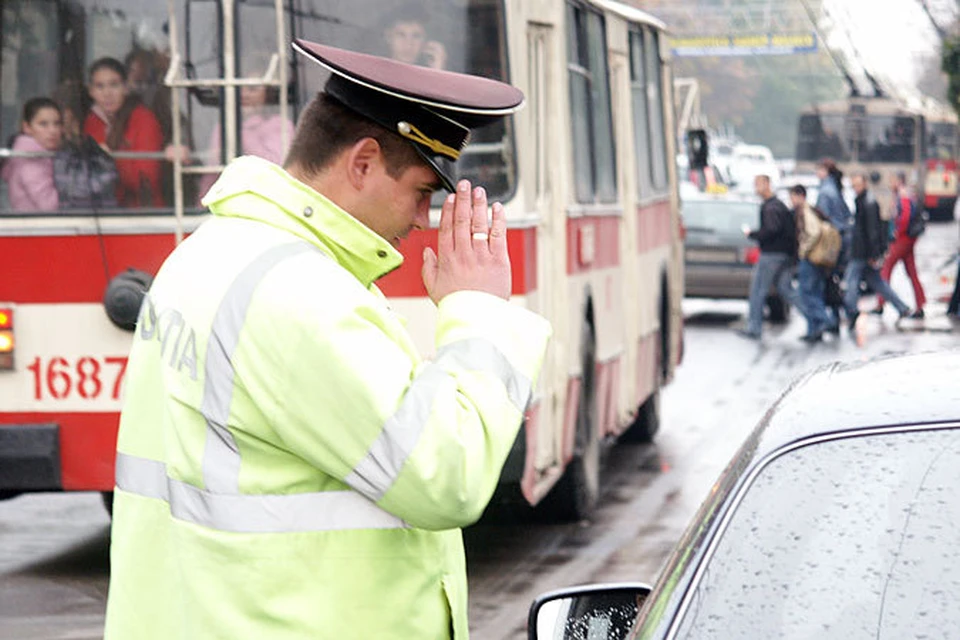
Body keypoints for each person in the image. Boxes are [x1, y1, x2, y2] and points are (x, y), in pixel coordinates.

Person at [103, 39, 552, 639]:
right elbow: (448, 476)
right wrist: (476, 310)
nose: (424, 219)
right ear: (364, 162)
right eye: (422, 189)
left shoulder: (209, 252)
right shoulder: (300, 293)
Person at [199, 54, 296, 198]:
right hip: (226, 203)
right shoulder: (222, 126)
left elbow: (276, 167)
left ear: (267, 92)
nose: (244, 94)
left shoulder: (281, 125)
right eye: (240, 89)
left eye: (252, 88)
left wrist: (242, 128)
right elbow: (212, 175)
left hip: (267, 203)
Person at [83, 57, 165, 207]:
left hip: (142, 213)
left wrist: (109, 160)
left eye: (114, 85)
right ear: (91, 91)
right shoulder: (91, 122)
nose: (107, 93)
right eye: (100, 86)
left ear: (126, 88)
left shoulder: (143, 119)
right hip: (100, 212)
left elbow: (146, 179)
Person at [843, 173, 912, 335]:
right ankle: (902, 307)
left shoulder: (868, 203)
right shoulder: (863, 201)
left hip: (862, 252)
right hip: (863, 251)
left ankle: (852, 311)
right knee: (878, 282)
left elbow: (872, 231)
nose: (855, 188)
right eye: (854, 186)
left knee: (851, 283)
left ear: (865, 184)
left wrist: (874, 254)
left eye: (858, 185)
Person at [738, 174, 801, 340]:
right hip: (785, 254)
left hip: (772, 254)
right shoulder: (777, 205)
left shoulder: (771, 207)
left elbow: (771, 229)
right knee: (786, 289)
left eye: (758, 184)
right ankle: (818, 318)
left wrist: (753, 234)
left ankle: (754, 327)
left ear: (767, 185)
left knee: (758, 290)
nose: (756, 189)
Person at [872, 172, 925, 319]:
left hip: (903, 239)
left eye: (892, 180)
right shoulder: (903, 194)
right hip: (907, 239)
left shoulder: (903, 195)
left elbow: (905, 217)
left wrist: (897, 233)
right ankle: (920, 304)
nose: (890, 183)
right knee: (911, 272)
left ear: (899, 181)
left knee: (885, 268)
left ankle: (881, 302)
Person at [1, 97, 63, 212]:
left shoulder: (40, 157)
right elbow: (50, 206)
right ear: (27, 127)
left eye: (57, 123)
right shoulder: (31, 161)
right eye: (43, 124)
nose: (53, 130)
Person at [789, 184, 831, 343]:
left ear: (800, 196)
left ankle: (824, 321)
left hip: (811, 258)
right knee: (815, 292)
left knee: (806, 292)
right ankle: (814, 330)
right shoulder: (810, 210)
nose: (791, 201)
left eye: (793, 197)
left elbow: (814, 233)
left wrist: (804, 250)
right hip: (817, 258)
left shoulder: (806, 211)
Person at [814, 158, 851, 333]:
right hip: (841, 238)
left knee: (826, 280)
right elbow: (846, 214)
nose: (816, 173)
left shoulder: (825, 191)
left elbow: (822, 219)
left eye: (819, 170)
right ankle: (837, 316)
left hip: (831, 242)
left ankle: (837, 316)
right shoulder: (836, 188)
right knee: (833, 280)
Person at [382, 7, 447, 69]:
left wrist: (437, 71)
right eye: (401, 35)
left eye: (416, 36)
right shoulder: (375, 71)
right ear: (388, 37)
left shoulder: (427, 74)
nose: (408, 44)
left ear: (425, 42)